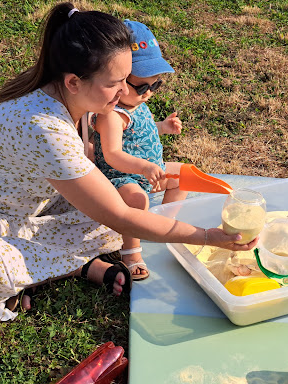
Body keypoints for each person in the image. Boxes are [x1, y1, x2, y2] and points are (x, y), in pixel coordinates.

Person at [0, 2, 256, 322]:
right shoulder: (44, 127)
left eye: (125, 79)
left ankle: (47, 262)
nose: (122, 93)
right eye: (114, 82)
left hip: (30, 200)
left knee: (122, 214)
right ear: (74, 81)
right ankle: (60, 267)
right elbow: (120, 217)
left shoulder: (57, 87)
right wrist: (206, 236)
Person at [93, 20, 187, 281]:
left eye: (155, 85)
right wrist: (143, 168)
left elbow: (139, 133)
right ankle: (131, 252)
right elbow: (112, 153)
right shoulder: (113, 114)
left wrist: (162, 127)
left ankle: (161, 225)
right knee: (137, 200)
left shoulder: (135, 102)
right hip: (120, 177)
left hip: (149, 171)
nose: (148, 93)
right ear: (120, 79)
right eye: (142, 87)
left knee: (183, 177)